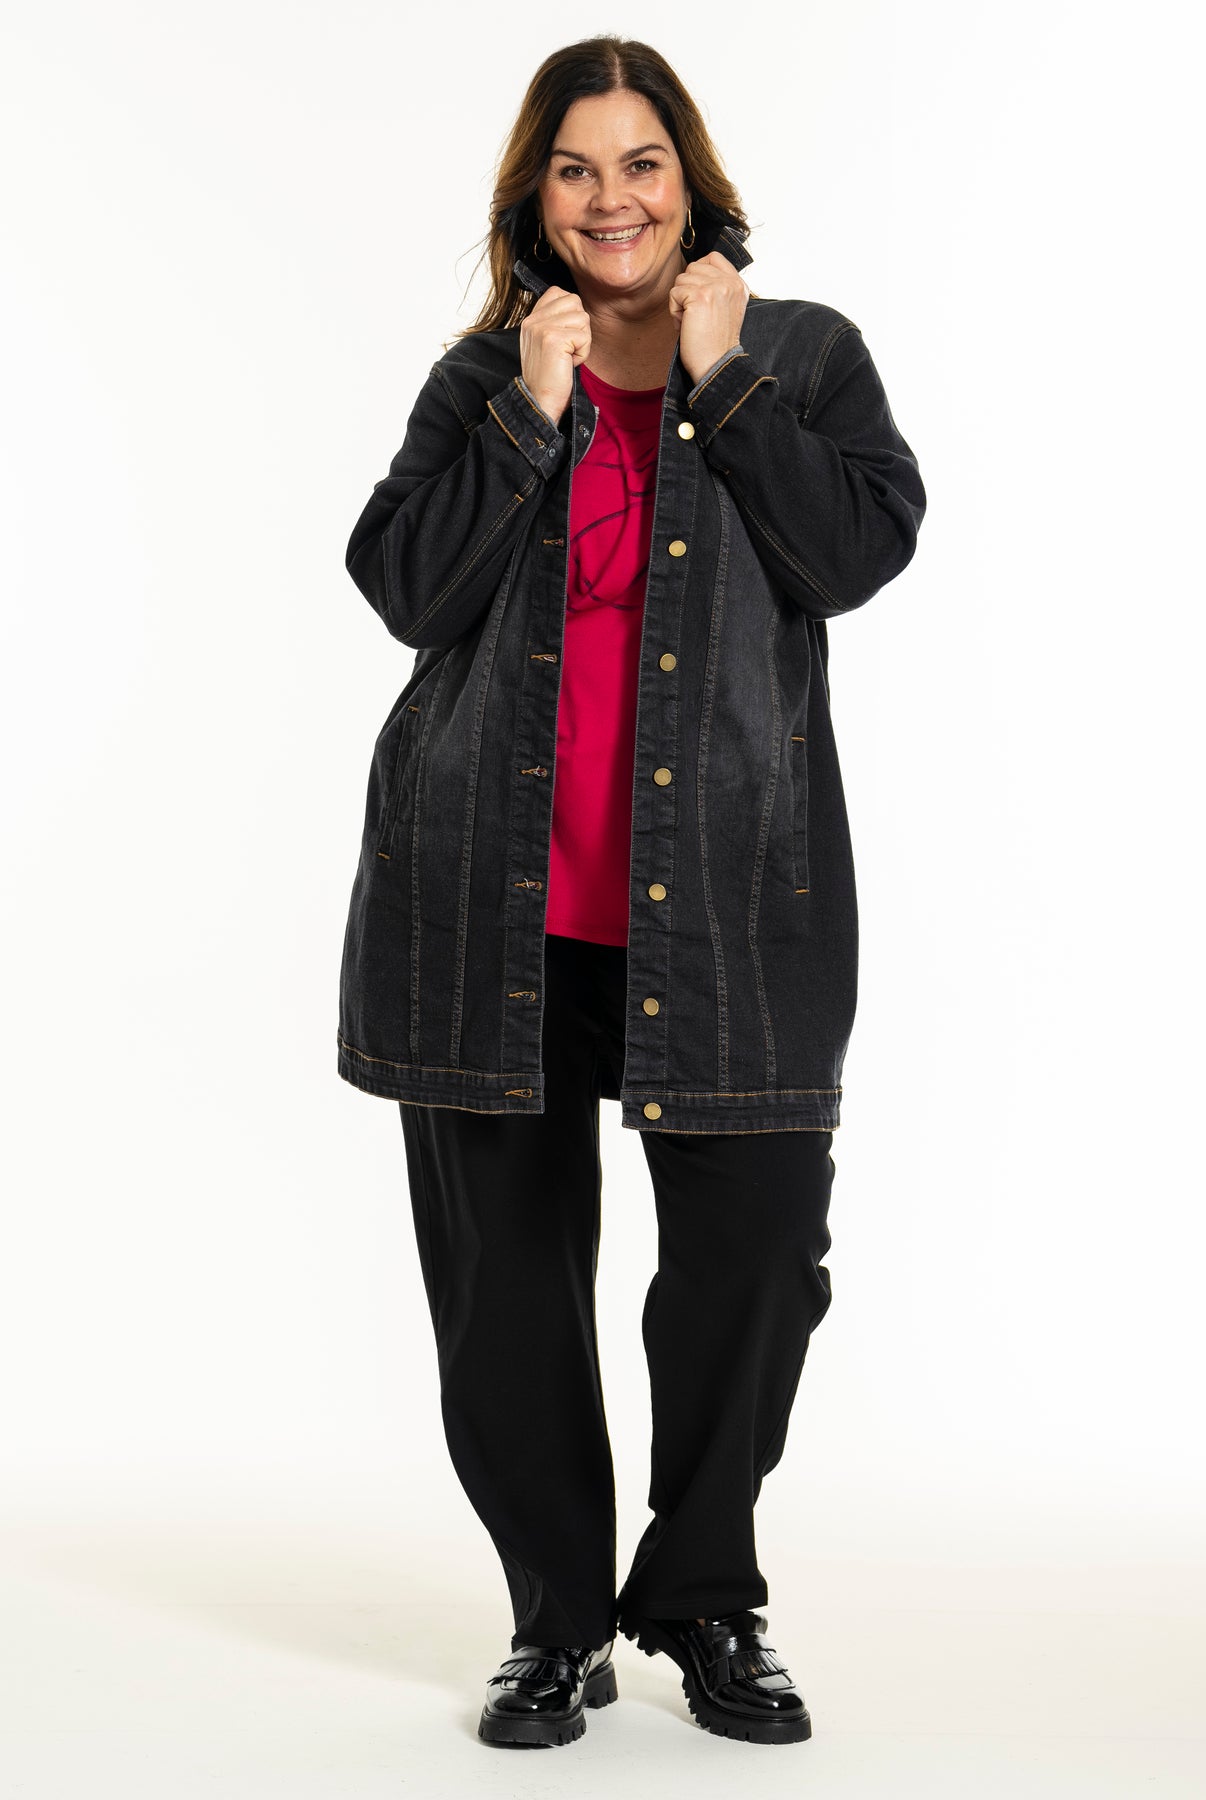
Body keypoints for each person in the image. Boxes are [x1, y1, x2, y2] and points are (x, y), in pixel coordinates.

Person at [339, 34, 926, 1749]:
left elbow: (855, 555)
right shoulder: (484, 375)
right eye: (577, 168)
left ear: (691, 179)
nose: (613, 199)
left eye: (642, 163)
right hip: (484, 907)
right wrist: (526, 413)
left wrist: (726, 384)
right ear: (537, 196)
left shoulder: (802, 357)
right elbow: (404, 590)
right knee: (507, 1293)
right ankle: (553, 1625)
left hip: (733, 910)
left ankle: (703, 1597)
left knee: (758, 1260)